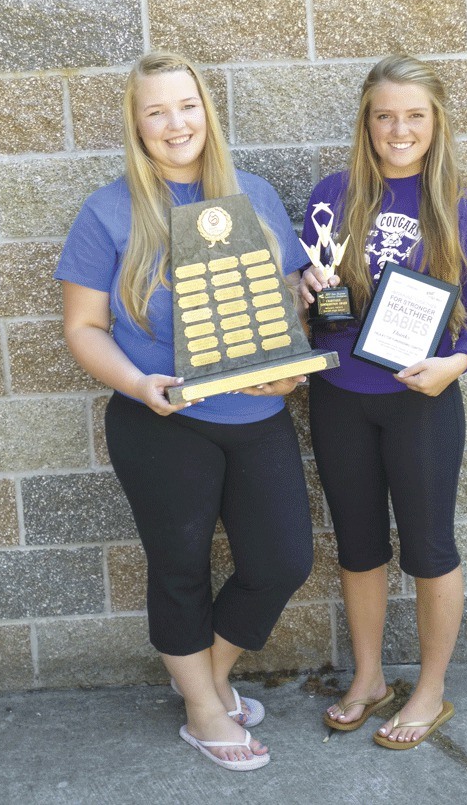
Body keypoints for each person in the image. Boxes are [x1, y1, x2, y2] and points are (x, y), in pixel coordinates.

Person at [55, 50, 314, 772]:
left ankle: (205, 674)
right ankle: (204, 710)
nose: (176, 123)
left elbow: (285, 313)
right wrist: (139, 384)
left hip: (255, 418)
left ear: (208, 110)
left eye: (187, 105)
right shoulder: (108, 210)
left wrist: (288, 378)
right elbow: (83, 327)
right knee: (179, 569)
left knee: (283, 559)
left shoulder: (254, 195)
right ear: (137, 125)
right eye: (157, 110)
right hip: (159, 420)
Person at [299, 54, 467, 749]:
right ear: (367, 120)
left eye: (414, 115)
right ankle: (368, 677)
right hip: (339, 398)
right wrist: (302, 292)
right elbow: (317, 304)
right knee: (357, 546)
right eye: (385, 114)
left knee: (428, 547)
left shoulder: (459, 206)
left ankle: (430, 688)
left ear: (435, 120)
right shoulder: (333, 193)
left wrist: (455, 363)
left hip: (422, 400)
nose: (399, 128)